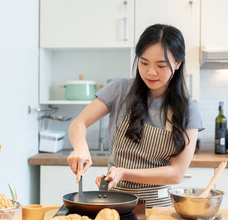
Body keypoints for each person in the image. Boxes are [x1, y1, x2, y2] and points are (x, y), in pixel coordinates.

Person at [67, 24, 204, 208]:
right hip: (114, 204)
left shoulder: (188, 108)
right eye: (144, 62)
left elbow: (176, 173)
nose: (150, 72)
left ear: (178, 63)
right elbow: (79, 123)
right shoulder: (120, 90)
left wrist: (124, 173)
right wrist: (80, 148)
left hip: (158, 208)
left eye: (161, 65)